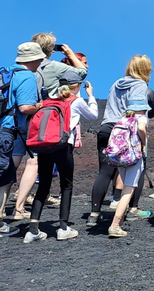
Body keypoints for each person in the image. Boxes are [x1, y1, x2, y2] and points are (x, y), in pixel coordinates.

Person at [8, 35, 88, 220]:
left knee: (12, 160)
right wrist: (69, 53)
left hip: (16, 119)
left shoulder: (21, 69)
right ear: (51, 50)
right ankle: (18, 208)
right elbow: (82, 73)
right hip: (42, 119)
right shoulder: (52, 66)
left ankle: (4, 202)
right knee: (34, 161)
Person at [24, 71, 98, 242]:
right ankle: (63, 228)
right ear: (77, 85)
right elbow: (93, 115)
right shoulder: (76, 101)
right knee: (66, 185)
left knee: (43, 185)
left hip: (44, 146)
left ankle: (33, 229)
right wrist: (91, 96)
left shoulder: (48, 99)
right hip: (63, 146)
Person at [87, 55, 153, 227]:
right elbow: (136, 114)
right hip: (125, 131)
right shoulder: (140, 85)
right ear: (146, 70)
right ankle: (132, 210)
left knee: (105, 172)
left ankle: (94, 214)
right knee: (136, 168)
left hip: (106, 128)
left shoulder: (116, 83)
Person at [0, 43, 44, 238]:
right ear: (32, 59)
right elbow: (25, 108)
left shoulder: (6, 72)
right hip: (8, 130)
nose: (41, 61)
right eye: (40, 58)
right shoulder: (27, 76)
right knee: (3, 174)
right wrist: (42, 105)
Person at [108, 98, 150, 238]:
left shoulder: (123, 118)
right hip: (133, 157)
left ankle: (119, 222)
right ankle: (114, 225)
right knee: (128, 189)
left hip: (120, 157)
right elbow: (142, 129)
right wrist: (143, 143)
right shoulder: (141, 118)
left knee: (125, 186)